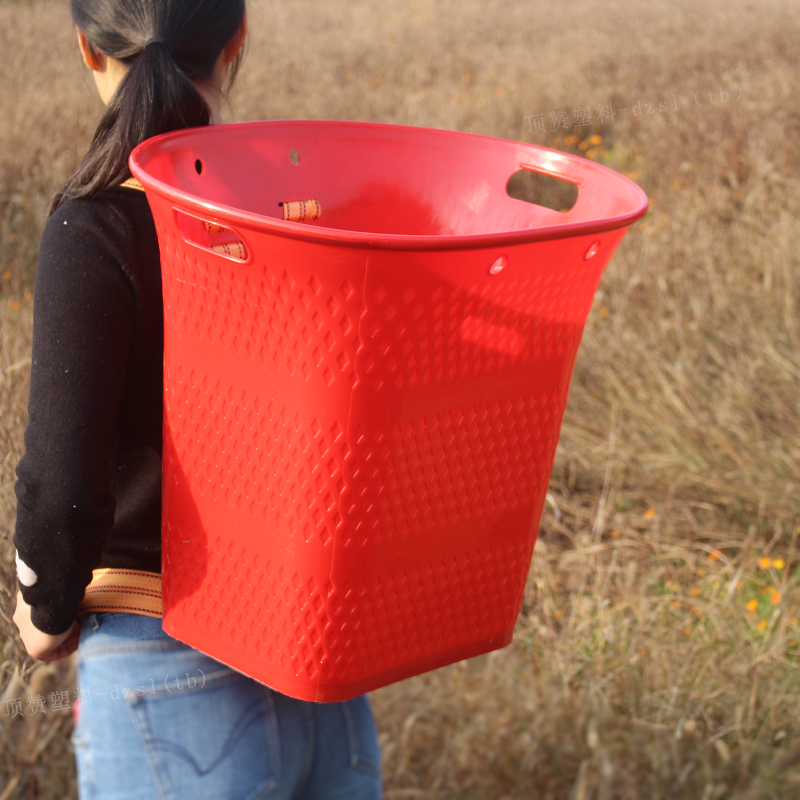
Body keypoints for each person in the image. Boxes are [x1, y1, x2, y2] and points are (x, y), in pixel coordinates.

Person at [11, 1, 382, 797]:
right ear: (236, 41)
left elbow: (61, 485)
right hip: (322, 672)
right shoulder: (303, 214)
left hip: (163, 661)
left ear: (87, 48)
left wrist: (43, 613)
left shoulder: (96, 228)